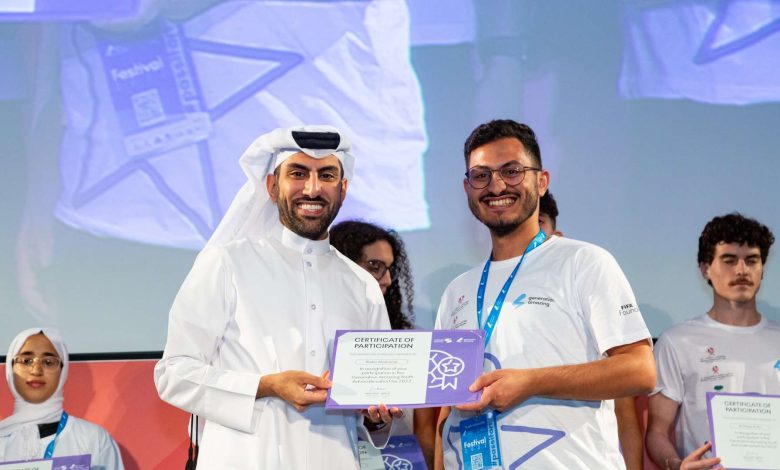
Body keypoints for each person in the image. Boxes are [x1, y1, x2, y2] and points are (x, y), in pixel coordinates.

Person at [154, 126, 401, 469]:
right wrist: (267, 385)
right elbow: (173, 374)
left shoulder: (362, 285)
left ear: (343, 189)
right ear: (272, 186)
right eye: (298, 173)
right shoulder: (227, 263)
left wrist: (377, 416)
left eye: (326, 175)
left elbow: (375, 404)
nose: (312, 188)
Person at [434, 119, 655, 469]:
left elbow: (640, 370)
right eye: (481, 175)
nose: (496, 185)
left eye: (511, 171)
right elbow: (446, 411)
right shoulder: (456, 292)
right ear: (467, 187)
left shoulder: (584, 261)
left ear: (541, 181)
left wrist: (531, 382)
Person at [646, 213, 779, 470]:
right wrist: (677, 465)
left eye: (752, 260)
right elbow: (657, 432)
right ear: (705, 268)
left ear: (762, 268)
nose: (741, 270)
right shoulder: (677, 342)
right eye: (729, 260)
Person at [537, 190, 644, 470]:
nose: (531, 232)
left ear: (557, 234)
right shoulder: (471, 291)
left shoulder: (587, 269)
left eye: (540, 222)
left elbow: (626, 407)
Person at [330, 220, 437, 467]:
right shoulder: (316, 335)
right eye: (374, 266)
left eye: (389, 268)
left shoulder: (410, 340)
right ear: (343, 264)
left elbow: (425, 434)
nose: (387, 279)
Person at [0, 328, 123, 469]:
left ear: (62, 370)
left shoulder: (93, 439)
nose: (36, 370)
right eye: (26, 361)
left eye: (48, 362)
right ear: (11, 368)